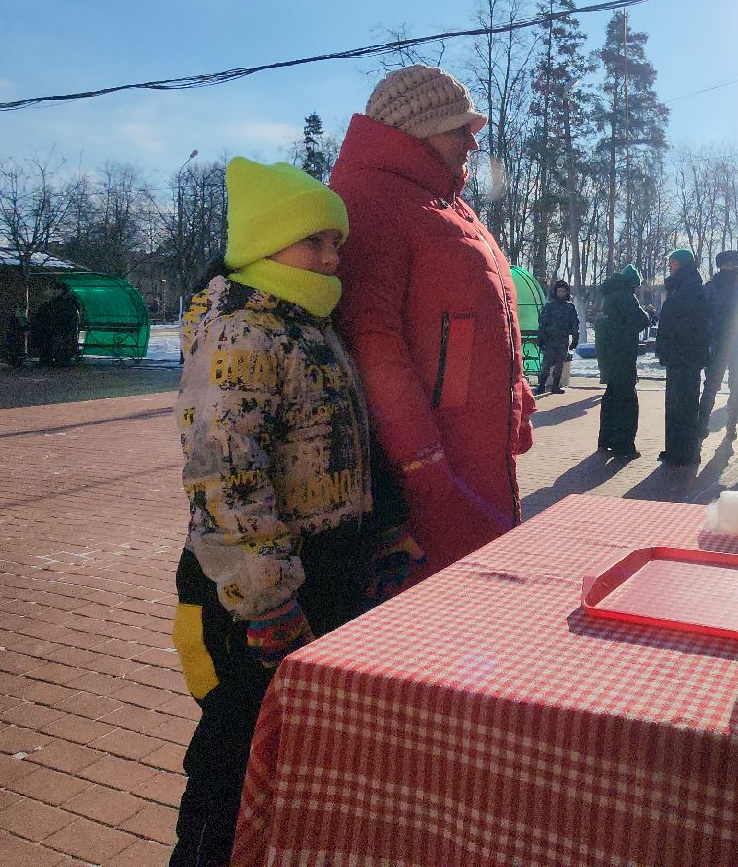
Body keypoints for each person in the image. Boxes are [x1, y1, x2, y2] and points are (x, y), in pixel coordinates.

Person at [170, 158, 420, 867]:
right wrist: (268, 601)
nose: (333, 257)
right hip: (252, 594)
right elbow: (226, 476)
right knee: (234, 758)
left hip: (323, 573)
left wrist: (386, 531)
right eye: (316, 241)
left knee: (299, 758)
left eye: (335, 243)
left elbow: (351, 442)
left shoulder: (310, 325)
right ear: (266, 241)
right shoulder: (241, 330)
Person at [330, 64, 536, 578]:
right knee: (433, 620)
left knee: (477, 602)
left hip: (475, 454)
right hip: (429, 471)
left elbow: (490, 318)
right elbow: (373, 346)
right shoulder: (373, 201)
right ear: (417, 130)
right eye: (459, 128)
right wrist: (424, 464)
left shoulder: (447, 205)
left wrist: (519, 402)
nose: (472, 142)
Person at [653, 249, 711, 464]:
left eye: (673, 262)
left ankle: (685, 452)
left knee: (684, 405)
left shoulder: (689, 288)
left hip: (685, 355)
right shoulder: (681, 286)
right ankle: (675, 449)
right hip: (678, 355)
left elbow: (687, 325)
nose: (670, 266)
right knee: (675, 404)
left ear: (683, 264)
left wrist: (672, 346)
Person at [700, 250, 738, 431]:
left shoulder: (710, 288)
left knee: (711, 384)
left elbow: (702, 316)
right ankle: (731, 424)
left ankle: (701, 423)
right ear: (736, 264)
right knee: (737, 384)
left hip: (716, 342)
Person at [595, 264, 648, 458]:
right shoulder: (626, 296)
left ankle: (605, 440)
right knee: (627, 402)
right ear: (632, 284)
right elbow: (641, 320)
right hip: (622, 354)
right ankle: (624, 446)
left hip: (607, 355)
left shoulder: (608, 296)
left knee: (611, 397)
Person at [537, 279, 578, 394]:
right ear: (555, 292)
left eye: (563, 291)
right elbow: (542, 323)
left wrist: (575, 338)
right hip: (550, 339)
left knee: (560, 364)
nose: (561, 294)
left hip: (563, 339)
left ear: (567, 292)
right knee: (546, 364)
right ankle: (541, 385)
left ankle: (556, 386)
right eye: (559, 291)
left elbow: (575, 324)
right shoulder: (549, 307)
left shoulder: (570, 308)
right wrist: (540, 338)